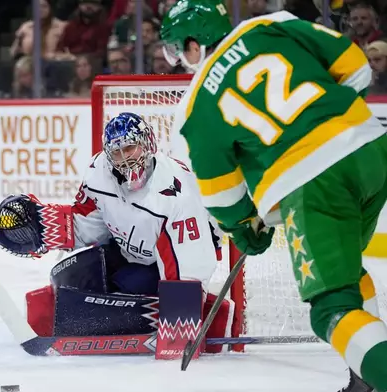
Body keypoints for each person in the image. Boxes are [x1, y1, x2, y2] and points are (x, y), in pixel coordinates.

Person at [160, 1, 387, 391]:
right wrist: (335, 126)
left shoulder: (195, 106)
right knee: (347, 273)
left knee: (331, 307)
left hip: (314, 185)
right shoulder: (270, 25)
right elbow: (356, 65)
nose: (181, 61)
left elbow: (222, 195)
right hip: (371, 149)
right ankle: (363, 377)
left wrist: (246, 225)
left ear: (195, 45)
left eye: (180, 49)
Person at [0, 113, 230, 349]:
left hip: (169, 265)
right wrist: (48, 228)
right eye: (117, 152)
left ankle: (209, 313)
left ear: (147, 144)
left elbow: (190, 261)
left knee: (123, 288)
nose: (124, 159)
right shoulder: (99, 172)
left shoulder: (175, 191)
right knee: (72, 275)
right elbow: (90, 222)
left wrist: (180, 326)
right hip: (130, 253)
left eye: (130, 148)